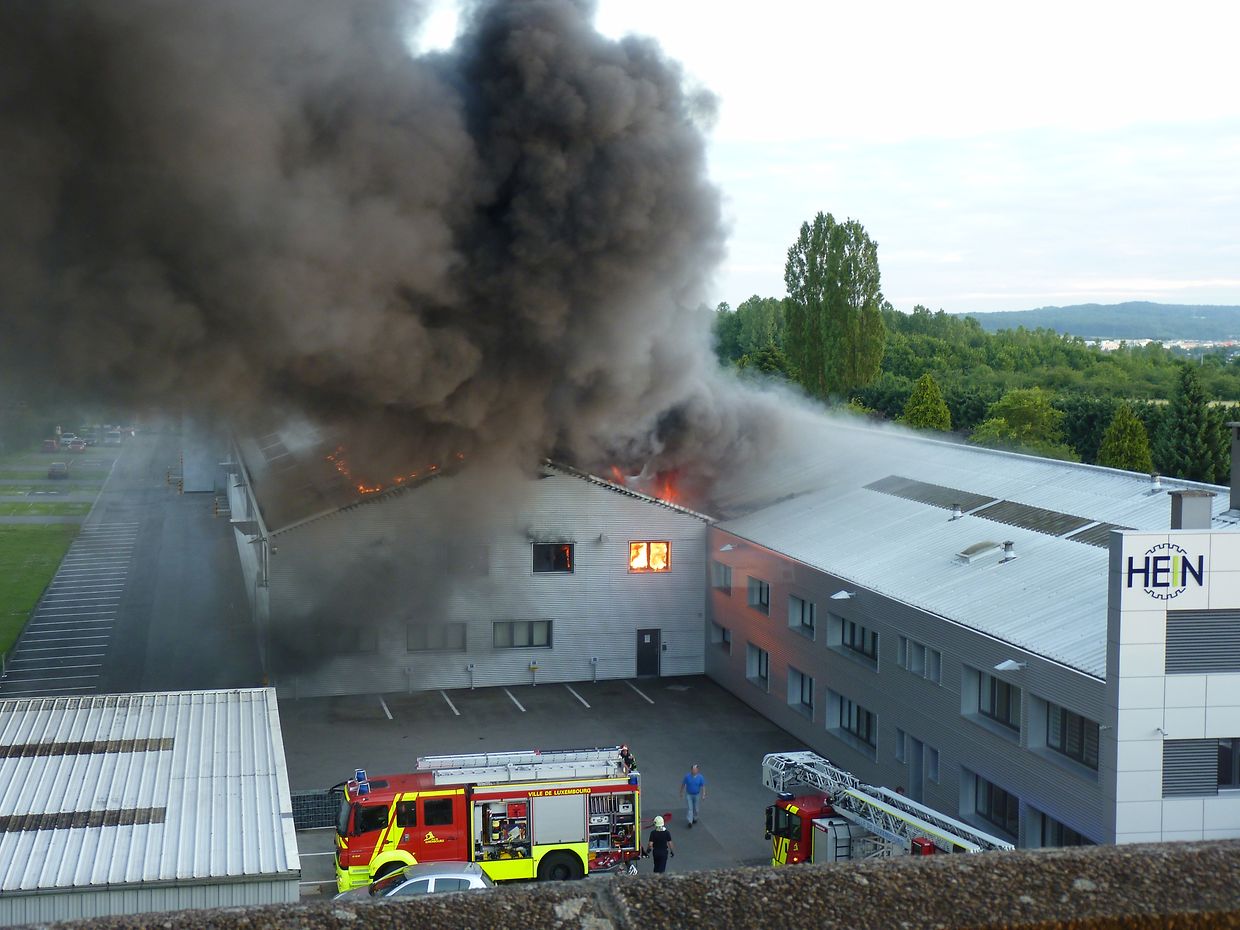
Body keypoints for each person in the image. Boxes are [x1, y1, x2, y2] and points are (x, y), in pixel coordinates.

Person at [680, 763, 706, 828]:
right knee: (690, 808)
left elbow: (703, 786)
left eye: (695, 770)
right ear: (691, 770)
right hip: (689, 794)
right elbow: (683, 784)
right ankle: (690, 821)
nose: (694, 771)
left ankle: (695, 817)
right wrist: (681, 792)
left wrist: (703, 794)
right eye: (693, 770)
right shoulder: (687, 776)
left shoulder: (700, 777)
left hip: (696, 795)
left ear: (697, 770)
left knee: (696, 809)